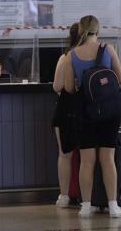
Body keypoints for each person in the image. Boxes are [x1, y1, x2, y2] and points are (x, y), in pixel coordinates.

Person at [63, 15, 121, 218]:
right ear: (98, 30)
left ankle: (86, 206)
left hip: (86, 112)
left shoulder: (71, 55)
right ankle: (113, 205)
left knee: (87, 160)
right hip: (109, 111)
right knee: (108, 158)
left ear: (81, 30)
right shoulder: (108, 49)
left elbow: (69, 88)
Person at [52, 23, 80, 208]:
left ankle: (64, 196)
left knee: (64, 154)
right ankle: (88, 195)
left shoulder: (65, 57)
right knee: (88, 155)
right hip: (89, 110)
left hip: (66, 109)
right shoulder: (97, 55)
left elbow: (56, 86)